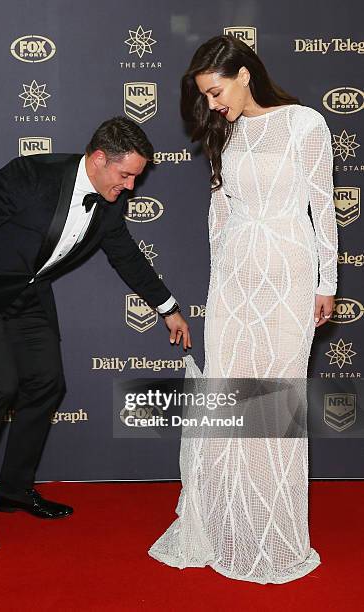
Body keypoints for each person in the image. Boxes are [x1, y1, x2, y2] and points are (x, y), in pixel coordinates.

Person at [0, 116, 191, 551]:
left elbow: (127, 256)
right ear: (98, 159)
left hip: (31, 299)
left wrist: (168, 309)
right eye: (125, 175)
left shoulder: (108, 203)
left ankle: (13, 490)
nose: (130, 187)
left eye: (136, 178)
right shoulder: (30, 175)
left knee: (48, 384)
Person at [148, 35, 338, 584]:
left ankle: (272, 532)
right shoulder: (225, 133)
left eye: (215, 91)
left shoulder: (305, 124)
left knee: (276, 401)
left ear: (243, 75)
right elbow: (220, 217)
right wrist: (220, 288)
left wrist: (326, 283)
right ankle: (228, 520)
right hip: (235, 281)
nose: (211, 104)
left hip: (288, 274)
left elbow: (323, 207)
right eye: (205, 96)